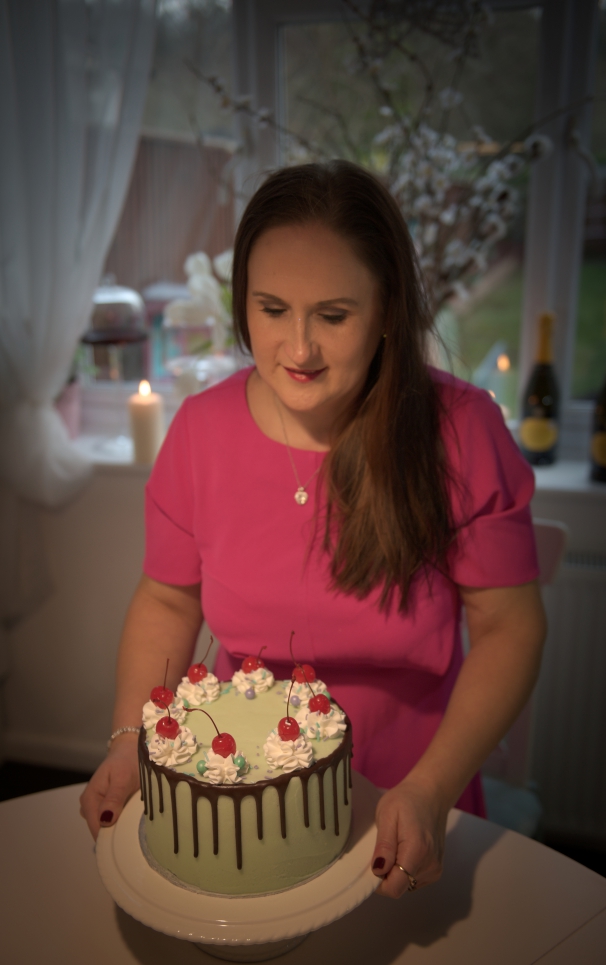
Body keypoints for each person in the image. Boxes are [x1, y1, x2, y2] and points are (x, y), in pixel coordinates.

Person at [80, 160, 546, 899]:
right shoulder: (199, 432)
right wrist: (129, 740)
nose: (298, 350)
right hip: (242, 801)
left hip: (411, 795)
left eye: (333, 316)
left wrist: (429, 789)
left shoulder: (462, 431)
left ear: (387, 309)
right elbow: (167, 601)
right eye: (272, 310)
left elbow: (510, 628)